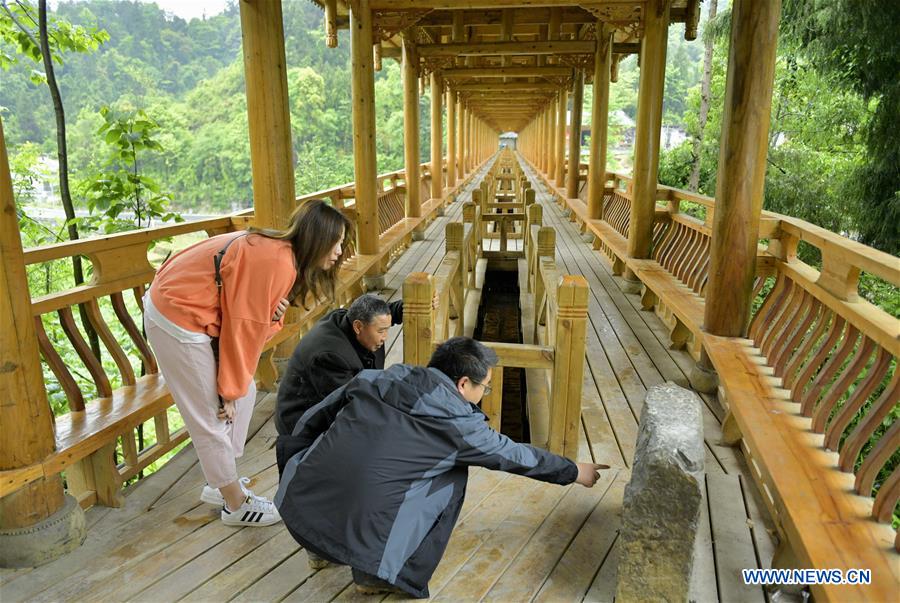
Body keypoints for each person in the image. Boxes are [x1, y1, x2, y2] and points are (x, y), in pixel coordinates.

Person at [275, 336, 604, 597]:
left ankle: (322, 549)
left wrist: (294, 463)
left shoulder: (381, 377)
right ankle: (380, 574)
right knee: (452, 474)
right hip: (358, 540)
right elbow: (514, 455)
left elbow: (313, 419)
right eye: (484, 387)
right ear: (463, 385)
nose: (483, 393)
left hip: (298, 510)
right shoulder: (460, 425)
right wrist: (575, 470)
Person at [144, 199, 352, 527]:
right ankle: (235, 505)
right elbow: (242, 329)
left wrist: (236, 384)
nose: (341, 251)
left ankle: (220, 482)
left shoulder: (281, 255)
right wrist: (226, 390)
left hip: (193, 311)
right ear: (319, 238)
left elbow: (249, 323)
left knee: (245, 394)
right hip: (176, 315)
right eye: (337, 242)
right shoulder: (277, 262)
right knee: (212, 413)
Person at [276, 292, 437, 437]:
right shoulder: (331, 357)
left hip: (337, 404)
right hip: (303, 424)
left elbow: (384, 314)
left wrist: (416, 305)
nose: (385, 337)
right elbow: (352, 407)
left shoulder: (350, 319)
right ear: (358, 327)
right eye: (381, 331)